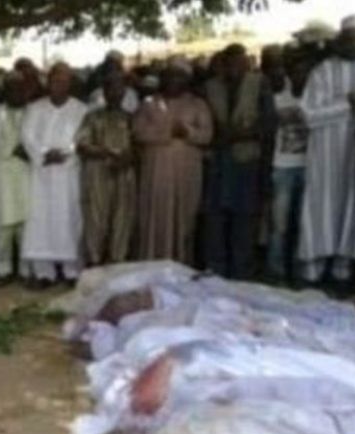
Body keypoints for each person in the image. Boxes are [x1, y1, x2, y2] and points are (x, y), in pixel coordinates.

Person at [203, 43, 275, 279]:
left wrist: (239, 135)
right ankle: (216, 271)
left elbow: (268, 125)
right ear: (223, 64)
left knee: (245, 220)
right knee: (215, 219)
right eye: (229, 63)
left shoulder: (260, 84)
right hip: (218, 163)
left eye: (239, 62)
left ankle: (241, 273)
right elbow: (204, 122)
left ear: (247, 63)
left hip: (247, 162)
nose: (234, 67)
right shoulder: (210, 87)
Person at [298, 15, 355, 283]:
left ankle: (343, 265)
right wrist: (348, 105)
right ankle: (314, 264)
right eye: (350, 39)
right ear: (340, 40)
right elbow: (309, 114)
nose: (354, 44)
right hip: (325, 155)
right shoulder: (322, 71)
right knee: (320, 207)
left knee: (352, 207)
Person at [133, 58, 213, 264]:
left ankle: (181, 263)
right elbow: (138, 131)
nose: (173, 81)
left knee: (183, 218)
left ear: (187, 80)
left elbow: (207, 135)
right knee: (156, 217)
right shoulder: (149, 103)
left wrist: (187, 132)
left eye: (178, 76)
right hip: (156, 174)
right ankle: (152, 262)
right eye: (169, 76)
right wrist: (167, 132)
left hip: (186, 173)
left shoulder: (198, 104)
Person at [18, 62, 88, 285]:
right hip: (41, 175)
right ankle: (43, 273)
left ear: (70, 84)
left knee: (69, 219)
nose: (59, 85)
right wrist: (44, 154)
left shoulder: (81, 110)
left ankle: (70, 271)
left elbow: (83, 138)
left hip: (69, 174)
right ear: (48, 83)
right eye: (55, 81)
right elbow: (27, 136)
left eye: (64, 81)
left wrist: (67, 155)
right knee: (40, 221)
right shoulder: (35, 108)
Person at [77, 70, 137, 266]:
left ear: (124, 92)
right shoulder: (92, 117)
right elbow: (82, 145)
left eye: (119, 88)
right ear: (104, 91)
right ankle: (94, 263)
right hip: (97, 173)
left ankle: (117, 263)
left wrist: (127, 158)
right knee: (96, 219)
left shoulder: (131, 118)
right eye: (110, 88)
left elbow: (140, 146)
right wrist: (107, 153)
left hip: (124, 173)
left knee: (122, 219)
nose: (115, 92)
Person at [268, 51, 310, 279]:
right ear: (289, 75)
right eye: (296, 72)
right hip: (283, 166)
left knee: (304, 223)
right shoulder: (278, 98)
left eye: (304, 72)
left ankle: (299, 269)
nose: (300, 77)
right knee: (280, 225)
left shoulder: (315, 99)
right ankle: (276, 270)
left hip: (310, 167)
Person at [0, 71, 31, 281]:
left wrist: (30, 150)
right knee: (3, 227)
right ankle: (2, 270)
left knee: (26, 226)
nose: (17, 93)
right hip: (2, 176)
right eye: (12, 89)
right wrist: (15, 149)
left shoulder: (34, 112)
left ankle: (25, 270)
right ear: (5, 91)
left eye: (20, 89)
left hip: (26, 175)